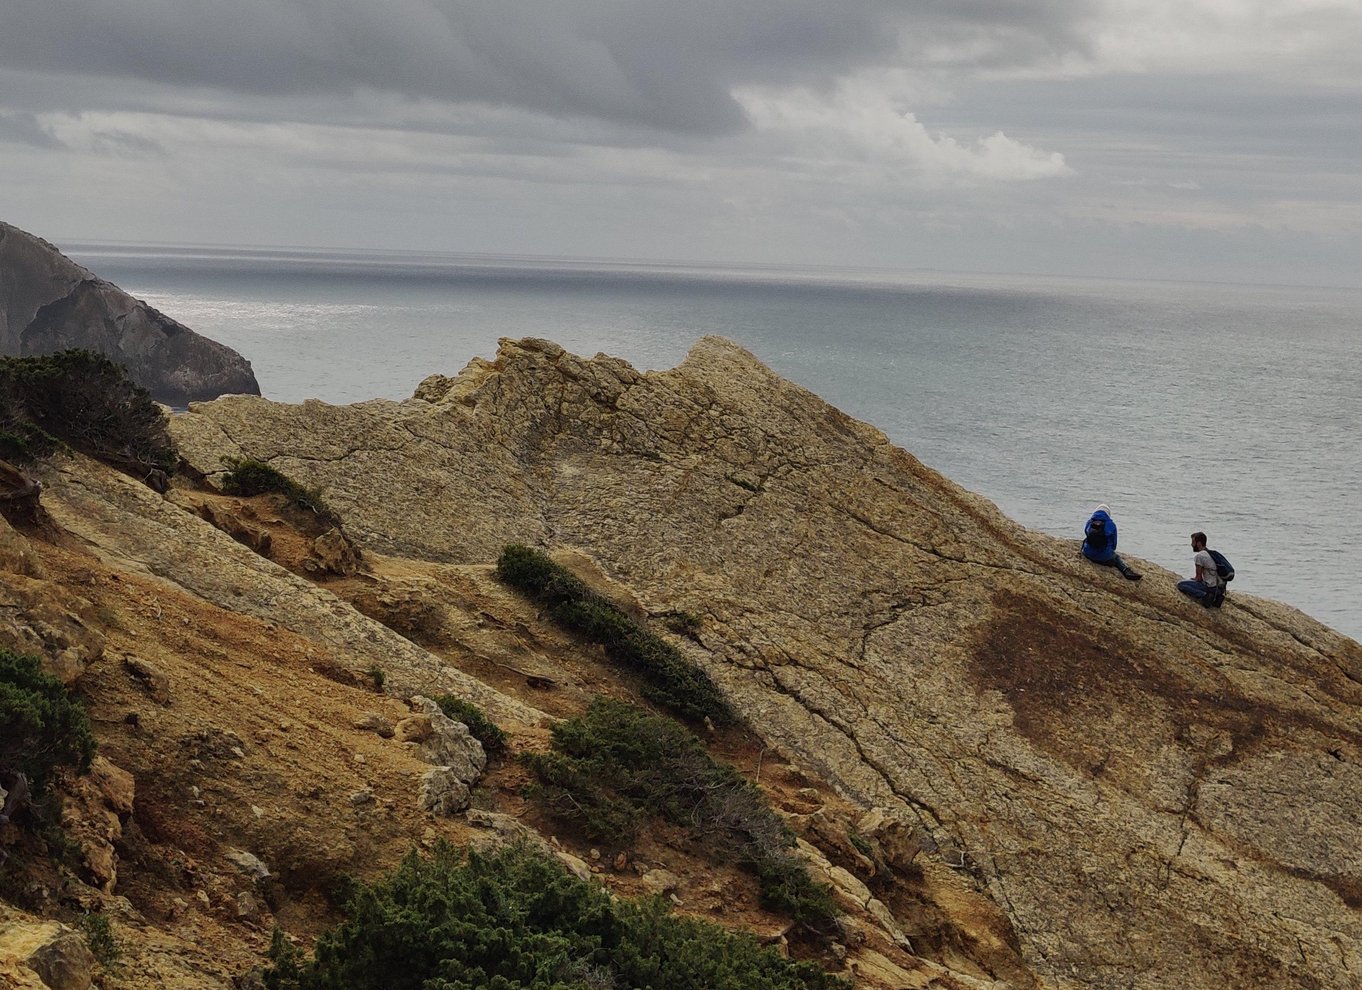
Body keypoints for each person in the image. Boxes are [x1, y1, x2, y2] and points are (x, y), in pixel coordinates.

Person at [1081, 504, 1141, 580]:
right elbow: (1114, 545)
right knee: (1116, 557)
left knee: (1085, 541)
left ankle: (1084, 552)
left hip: (1088, 553)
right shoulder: (1111, 525)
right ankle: (1125, 570)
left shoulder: (1089, 522)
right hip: (1103, 557)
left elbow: (1086, 533)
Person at [1177, 531, 1224, 607]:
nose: (1191, 544)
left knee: (1181, 584)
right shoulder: (1211, 554)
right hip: (1220, 589)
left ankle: (1205, 596)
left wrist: (1193, 579)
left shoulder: (1200, 556)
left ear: (1198, 543)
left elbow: (1198, 578)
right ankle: (1216, 597)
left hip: (1211, 588)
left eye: (1193, 542)